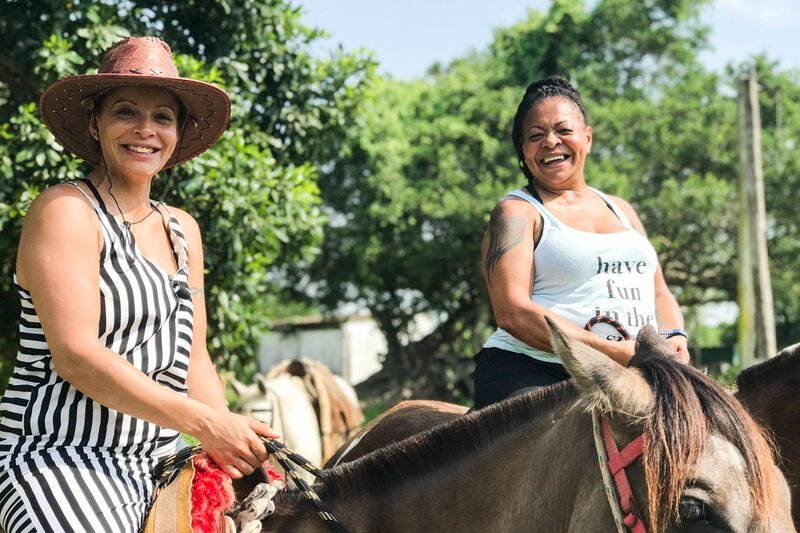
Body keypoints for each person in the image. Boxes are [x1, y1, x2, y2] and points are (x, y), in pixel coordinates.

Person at [0, 36, 277, 532]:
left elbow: (194, 358)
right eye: (126, 112)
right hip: (62, 457)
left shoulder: (183, 229)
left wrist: (233, 445)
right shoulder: (66, 211)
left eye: (163, 117)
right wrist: (204, 423)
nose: (145, 130)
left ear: (177, 133)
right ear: (95, 123)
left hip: (160, 460)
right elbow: (77, 356)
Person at [473, 75, 689, 409]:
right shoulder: (517, 212)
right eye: (535, 136)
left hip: (634, 373)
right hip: (535, 371)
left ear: (587, 138)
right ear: (523, 151)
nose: (550, 141)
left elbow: (659, 291)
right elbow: (513, 312)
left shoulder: (623, 210)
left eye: (563, 130)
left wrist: (674, 337)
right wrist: (614, 353)